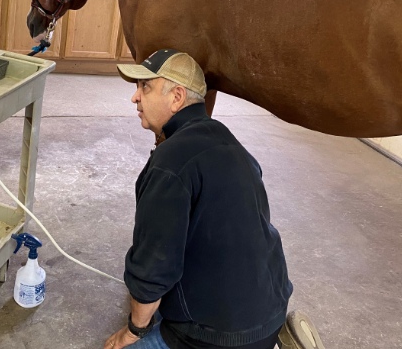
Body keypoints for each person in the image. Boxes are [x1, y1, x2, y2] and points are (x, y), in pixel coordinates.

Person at [105, 49, 322, 349]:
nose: (135, 97)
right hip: (271, 312)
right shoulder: (227, 138)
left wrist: (133, 330)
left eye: (146, 87)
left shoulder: (170, 164)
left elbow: (152, 270)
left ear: (177, 97)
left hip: (215, 337)